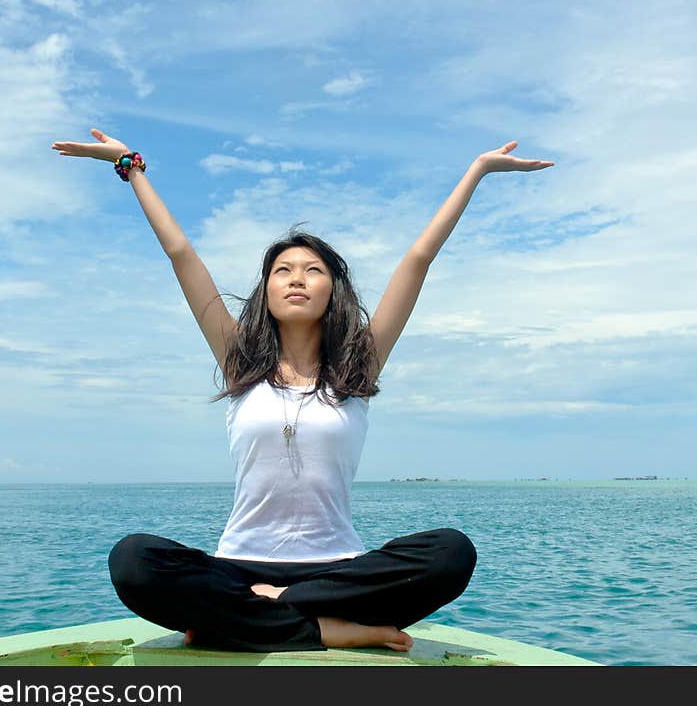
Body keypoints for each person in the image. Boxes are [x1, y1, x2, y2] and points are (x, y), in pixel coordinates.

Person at [51, 127, 554, 653]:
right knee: (133, 559)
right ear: (265, 289)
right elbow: (181, 255)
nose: (297, 278)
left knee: (452, 552)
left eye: (313, 270)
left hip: (339, 572)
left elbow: (418, 259)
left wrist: (476, 171)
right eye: (283, 270)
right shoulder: (239, 362)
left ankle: (255, 618)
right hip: (240, 570)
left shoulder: (357, 367)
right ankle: (319, 628)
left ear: (332, 289)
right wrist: (130, 166)